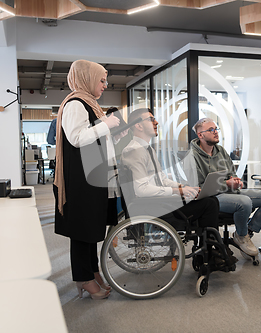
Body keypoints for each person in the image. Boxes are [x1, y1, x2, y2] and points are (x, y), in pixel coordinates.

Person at [53, 59, 126, 300]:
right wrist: (105, 124)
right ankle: (83, 278)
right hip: (81, 179)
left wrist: (110, 131)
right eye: (101, 80)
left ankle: (92, 271)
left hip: (91, 176)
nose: (105, 85)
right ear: (86, 78)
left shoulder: (89, 104)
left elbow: (93, 140)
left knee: (91, 229)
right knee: (82, 230)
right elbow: (76, 138)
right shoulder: (76, 103)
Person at [187, 118, 261, 258]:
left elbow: (231, 173)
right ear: (200, 135)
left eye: (216, 129)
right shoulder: (191, 156)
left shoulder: (221, 151)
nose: (215, 132)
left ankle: (246, 232)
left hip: (231, 191)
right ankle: (242, 237)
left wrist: (235, 181)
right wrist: (226, 184)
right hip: (211, 198)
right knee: (245, 202)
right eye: (211, 130)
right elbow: (199, 188)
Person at [121, 108, 223, 233]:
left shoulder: (148, 150)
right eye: (151, 119)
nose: (156, 122)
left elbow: (162, 179)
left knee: (209, 200)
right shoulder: (134, 151)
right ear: (138, 126)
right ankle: (210, 247)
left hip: (158, 201)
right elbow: (141, 190)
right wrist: (177, 191)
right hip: (153, 205)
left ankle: (207, 246)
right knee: (209, 204)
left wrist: (183, 187)